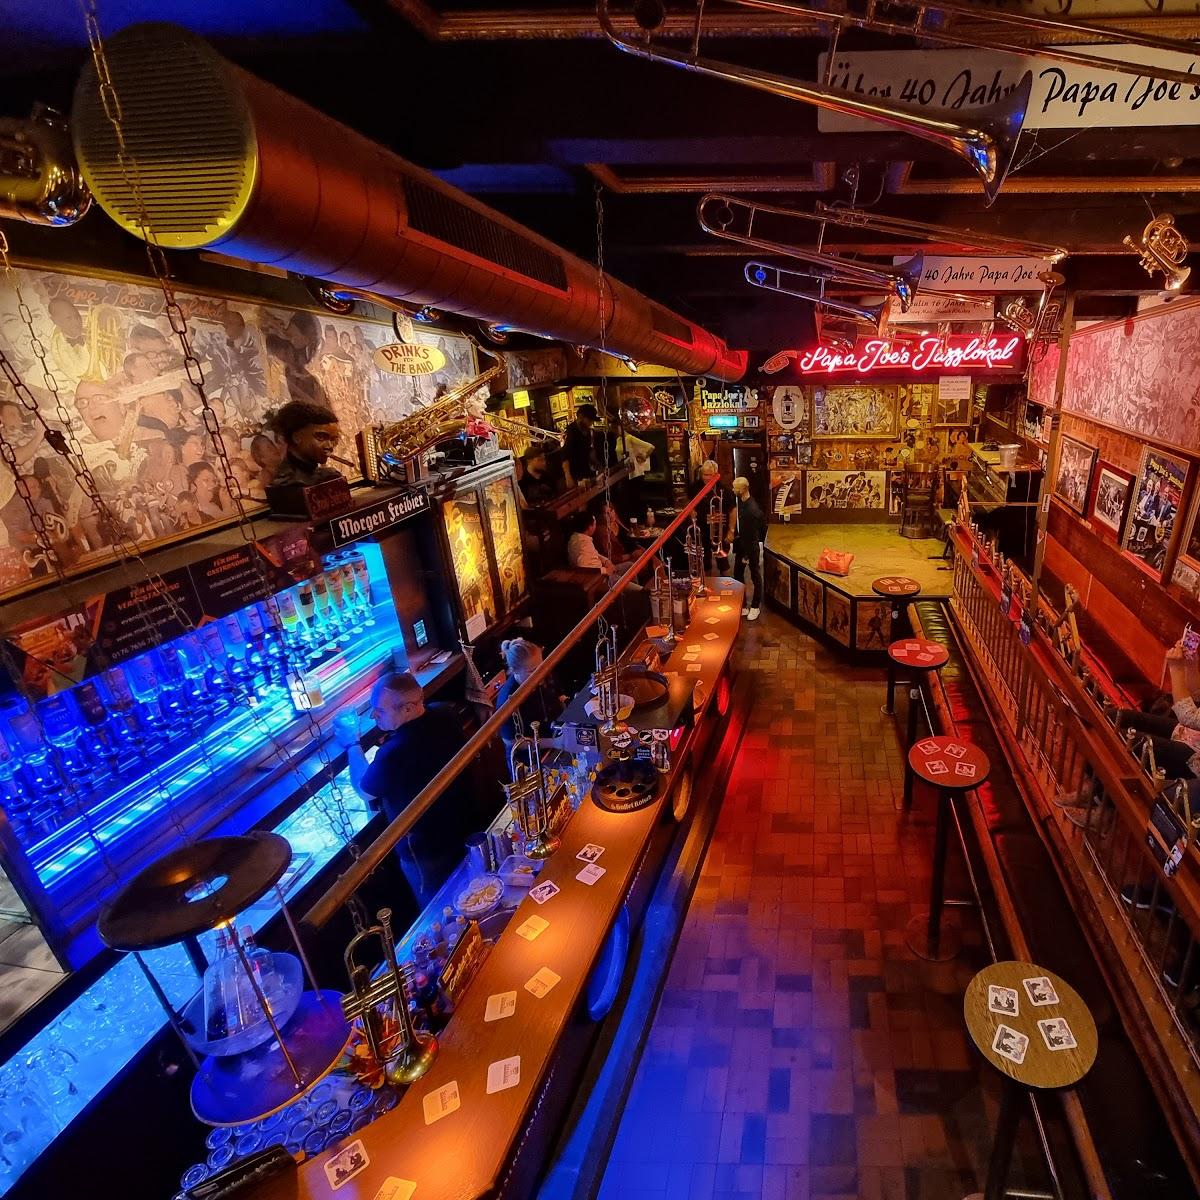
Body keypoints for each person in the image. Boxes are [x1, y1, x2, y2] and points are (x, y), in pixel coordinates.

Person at [336, 672, 475, 906]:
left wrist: (352, 744)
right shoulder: (445, 713)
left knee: (439, 908)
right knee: (472, 891)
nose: (373, 716)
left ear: (408, 709)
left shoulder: (393, 753)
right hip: (462, 825)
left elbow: (364, 790)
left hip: (426, 851)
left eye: (380, 711)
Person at [494, 637, 565, 756]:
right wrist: (553, 743)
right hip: (530, 758)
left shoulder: (541, 672)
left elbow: (557, 697)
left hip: (555, 742)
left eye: (541, 666)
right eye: (532, 671)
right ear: (515, 671)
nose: (540, 673)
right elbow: (511, 742)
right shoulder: (507, 699)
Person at [268, 400, 344, 489]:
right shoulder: (289, 484)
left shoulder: (328, 475)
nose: (330, 446)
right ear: (297, 437)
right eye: (321, 437)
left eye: (333, 439)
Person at [690, 460, 735, 575]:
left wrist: (731, 531)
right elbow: (690, 505)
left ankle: (726, 583)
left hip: (720, 532)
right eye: (705, 474)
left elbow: (732, 510)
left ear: (716, 474)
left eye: (710, 475)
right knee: (704, 563)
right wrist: (692, 513)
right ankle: (707, 583)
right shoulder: (695, 487)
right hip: (701, 530)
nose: (707, 478)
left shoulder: (724, 489)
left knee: (723, 563)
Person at [731, 476, 765, 621]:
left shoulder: (752, 510)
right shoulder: (743, 502)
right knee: (738, 574)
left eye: (735, 488)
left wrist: (746, 555)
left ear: (743, 489)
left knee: (755, 576)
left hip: (750, 548)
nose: (733, 490)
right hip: (742, 545)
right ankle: (743, 604)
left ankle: (755, 606)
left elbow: (754, 534)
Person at [566, 509, 614, 576]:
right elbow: (583, 568)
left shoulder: (576, 537)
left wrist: (606, 561)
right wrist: (606, 570)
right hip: (599, 577)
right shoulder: (583, 544)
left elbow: (594, 554)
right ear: (590, 527)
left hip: (603, 570)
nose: (595, 526)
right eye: (594, 524)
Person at [562, 403, 600, 489]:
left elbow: (588, 450)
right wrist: (568, 476)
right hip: (575, 474)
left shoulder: (587, 431)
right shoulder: (572, 431)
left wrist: (597, 464)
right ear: (581, 417)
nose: (591, 423)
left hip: (586, 470)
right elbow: (565, 456)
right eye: (589, 420)